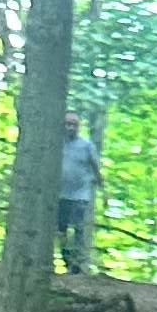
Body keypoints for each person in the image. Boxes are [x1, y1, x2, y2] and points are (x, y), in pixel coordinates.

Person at [56, 112, 100, 273]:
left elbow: (95, 166)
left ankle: (78, 262)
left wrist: (101, 183)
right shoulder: (55, 144)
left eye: (74, 124)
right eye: (67, 124)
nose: (70, 127)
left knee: (78, 228)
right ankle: (67, 260)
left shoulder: (86, 146)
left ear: (79, 127)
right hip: (60, 195)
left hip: (80, 195)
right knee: (61, 230)